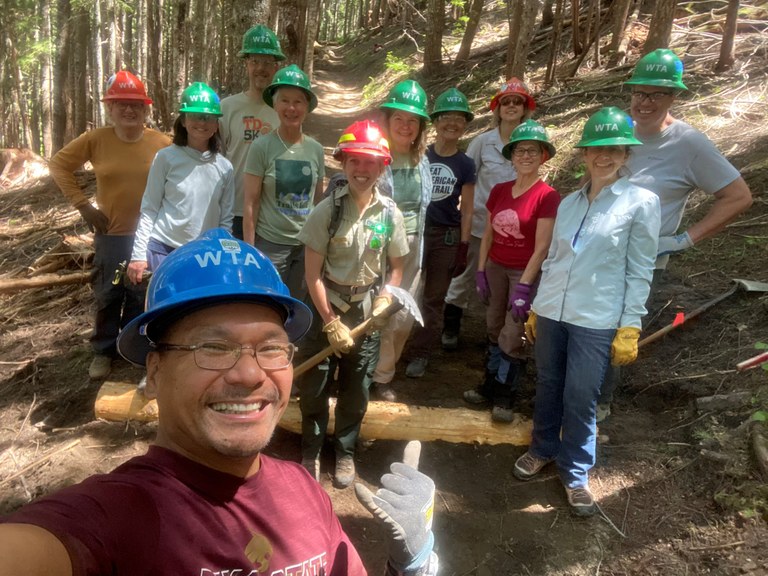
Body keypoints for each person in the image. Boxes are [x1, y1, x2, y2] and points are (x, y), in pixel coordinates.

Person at [0, 228, 438, 576]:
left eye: (270, 348)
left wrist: (412, 567)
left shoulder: (304, 490)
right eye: (211, 348)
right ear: (154, 373)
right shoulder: (116, 517)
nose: (250, 375)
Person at [513, 107, 660, 516]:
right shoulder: (569, 203)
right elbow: (556, 259)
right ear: (584, 154)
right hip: (555, 312)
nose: (604, 157)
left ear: (627, 154)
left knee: (581, 395)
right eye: (597, 149)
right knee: (547, 383)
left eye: (614, 149)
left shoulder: (640, 202)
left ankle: (575, 472)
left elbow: (639, 270)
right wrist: (538, 308)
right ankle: (542, 447)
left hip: (597, 318)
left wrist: (629, 325)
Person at [596, 48, 754, 420]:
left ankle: (599, 403)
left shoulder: (688, 144)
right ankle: (577, 391)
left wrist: (684, 239)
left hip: (642, 262)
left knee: (616, 331)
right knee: (588, 323)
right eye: (638, 92)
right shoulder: (619, 131)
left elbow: (738, 196)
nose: (644, 102)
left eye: (656, 94)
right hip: (598, 252)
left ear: (673, 97)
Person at [297, 120, 409, 487]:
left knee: (356, 388)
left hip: (366, 313)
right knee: (314, 385)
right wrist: (329, 321)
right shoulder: (325, 213)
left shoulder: (390, 214)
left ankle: (344, 451)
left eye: (370, 163)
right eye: (355, 161)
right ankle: (311, 449)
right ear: (343, 164)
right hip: (325, 306)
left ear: (381, 168)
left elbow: (395, 267)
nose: (362, 170)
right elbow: (311, 274)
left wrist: (385, 299)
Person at [48, 70, 171, 380]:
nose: (128, 111)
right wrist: (82, 205)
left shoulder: (161, 143)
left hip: (151, 236)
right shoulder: (95, 140)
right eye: (120, 104)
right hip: (112, 233)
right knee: (108, 292)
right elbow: (59, 165)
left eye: (135, 105)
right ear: (110, 108)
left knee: (138, 293)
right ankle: (102, 350)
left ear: (146, 108)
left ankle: (129, 346)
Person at [466, 120, 560, 422]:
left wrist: (525, 287)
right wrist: (480, 270)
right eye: (520, 150)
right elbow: (489, 233)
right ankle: (489, 384)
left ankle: (506, 394)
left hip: (523, 272)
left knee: (513, 330)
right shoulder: (500, 190)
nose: (526, 156)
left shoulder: (547, 196)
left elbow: (542, 246)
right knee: (493, 324)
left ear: (543, 155)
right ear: (512, 155)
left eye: (533, 150)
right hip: (495, 266)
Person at [442, 78, 535, 351]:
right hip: (480, 224)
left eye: (517, 102)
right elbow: (466, 179)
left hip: (515, 232)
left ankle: (496, 336)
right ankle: (450, 325)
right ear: (497, 108)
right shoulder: (483, 143)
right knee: (464, 276)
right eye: (506, 102)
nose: (511, 106)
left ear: (525, 108)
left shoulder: (528, 144)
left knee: (502, 283)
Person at [127, 82, 234, 283]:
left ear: (216, 124)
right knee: (164, 312)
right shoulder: (165, 158)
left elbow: (226, 220)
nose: (201, 123)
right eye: (194, 116)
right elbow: (149, 208)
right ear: (183, 120)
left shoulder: (225, 167)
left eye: (208, 117)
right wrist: (138, 255)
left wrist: (224, 254)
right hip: (163, 250)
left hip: (205, 254)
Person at [404, 88, 476, 379]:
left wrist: (463, 244)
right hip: (413, 232)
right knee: (403, 291)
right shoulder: (419, 154)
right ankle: (391, 347)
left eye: (459, 119)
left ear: (465, 125)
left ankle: (420, 353)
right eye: (446, 117)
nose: (452, 124)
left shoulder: (465, 164)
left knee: (433, 299)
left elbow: (468, 208)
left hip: (445, 237)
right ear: (435, 122)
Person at [370, 80, 433, 401]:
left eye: (413, 121)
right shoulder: (377, 157)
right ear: (388, 120)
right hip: (379, 248)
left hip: (414, 246)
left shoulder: (423, 161)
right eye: (399, 119)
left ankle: (384, 372)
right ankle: (373, 376)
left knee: (404, 312)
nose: (406, 126)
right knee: (378, 310)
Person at [243, 64, 324, 300]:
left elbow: (318, 202)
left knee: (298, 304)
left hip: (305, 246)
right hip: (270, 245)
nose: (291, 108)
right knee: (268, 303)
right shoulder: (262, 147)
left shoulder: (316, 150)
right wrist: (251, 250)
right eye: (285, 101)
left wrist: (320, 245)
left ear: (307, 107)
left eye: (298, 101)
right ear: (275, 105)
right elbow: (250, 201)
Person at [219, 25, 283, 240]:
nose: (260, 68)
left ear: (276, 67)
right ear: (246, 64)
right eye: (255, 61)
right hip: (234, 209)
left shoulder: (285, 110)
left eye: (267, 62)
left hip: (272, 213)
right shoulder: (227, 108)